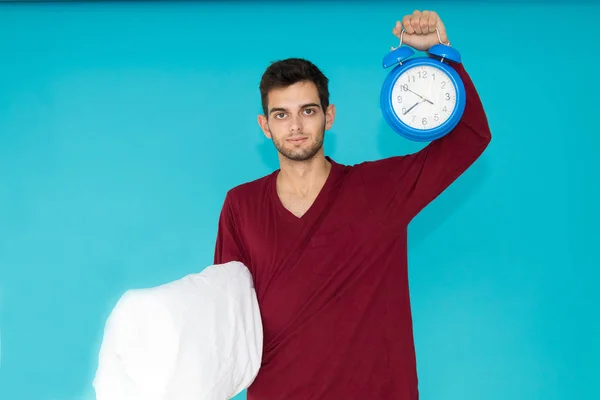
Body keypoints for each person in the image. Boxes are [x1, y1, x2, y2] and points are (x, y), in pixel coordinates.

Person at [214, 9, 491, 400]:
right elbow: (226, 314)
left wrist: (441, 55)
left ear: (329, 116)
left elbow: (470, 136)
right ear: (266, 125)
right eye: (282, 114)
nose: (295, 126)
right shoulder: (240, 205)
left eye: (307, 111)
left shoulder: (379, 189)